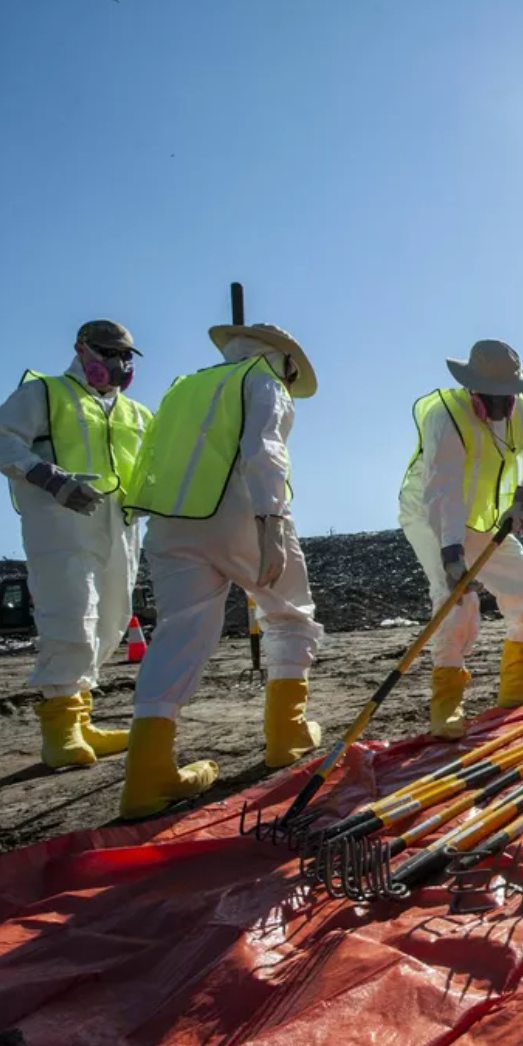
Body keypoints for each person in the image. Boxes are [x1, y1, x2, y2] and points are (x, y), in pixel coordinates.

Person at [118, 321, 323, 818]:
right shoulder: (264, 379)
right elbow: (265, 449)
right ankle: (286, 735)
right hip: (239, 512)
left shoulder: (184, 387)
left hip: (170, 523)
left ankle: (147, 776)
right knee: (289, 612)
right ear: (285, 359)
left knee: (179, 633)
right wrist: (271, 520)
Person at [0, 320, 152, 769]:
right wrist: (49, 478)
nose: (120, 363)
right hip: (61, 521)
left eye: (127, 356)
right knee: (73, 614)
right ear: (82, 350)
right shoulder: (47, 393)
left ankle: (82, 719)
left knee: (110, 619)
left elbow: (158, 463)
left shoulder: (135, 413)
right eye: (110, 353)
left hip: (119, 524)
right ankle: (59, 731)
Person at [399, 340, 523, 740]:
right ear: (473, 388)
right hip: (430, 514)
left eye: (508, 397)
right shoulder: (445, 415)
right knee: (457, 598)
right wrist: (452, 554)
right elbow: (442, 490)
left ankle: (517, 683)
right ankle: (446, 701)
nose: (502, 406)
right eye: (493, 397)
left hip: (483, 517)